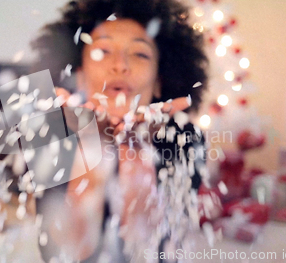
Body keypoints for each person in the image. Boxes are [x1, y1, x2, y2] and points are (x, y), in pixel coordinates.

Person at [30, 0, 208, 262]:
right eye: (103, 51)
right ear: (78, 75)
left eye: (140, 54)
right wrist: (91, 141)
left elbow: (154, 250)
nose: (120, 65)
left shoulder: (185, 138)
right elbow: (62, 251)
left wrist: (136, 149)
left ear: (160, 81)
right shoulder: (48, 130)